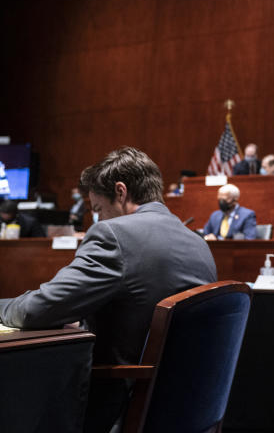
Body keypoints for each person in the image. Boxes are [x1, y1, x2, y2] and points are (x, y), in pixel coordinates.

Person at [0, 147, 217, 432]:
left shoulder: (115, 235)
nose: (96, 220)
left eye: (98, 209)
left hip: (118, 403)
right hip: (184, 405)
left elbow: (35, 311)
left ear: (121, 192)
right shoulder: (198, 243)